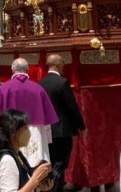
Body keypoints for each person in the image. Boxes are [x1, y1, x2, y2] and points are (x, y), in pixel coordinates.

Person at [0, 58, 59, 167]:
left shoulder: (3, 89)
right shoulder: (38, 89)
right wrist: (47, 140)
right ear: (28, 70)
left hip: (11, 132)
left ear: (12, 69)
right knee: (36, 163)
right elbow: (47, 121)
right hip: (35, 132)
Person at [38, 54, 86, 192]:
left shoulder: (40, 83)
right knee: (60, 164)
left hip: (46, 130)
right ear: (58, 64)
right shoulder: (62, 82)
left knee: (51, 161)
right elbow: (72, 107)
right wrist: (81, 126)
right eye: (63, 64)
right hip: (62, 130)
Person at [0, 109, 53, 192]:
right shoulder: (8, 160)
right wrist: (35, 179)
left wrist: (38, 187)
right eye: (25, 128)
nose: (28, 132)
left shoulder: (17, 154)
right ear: (13, 132)